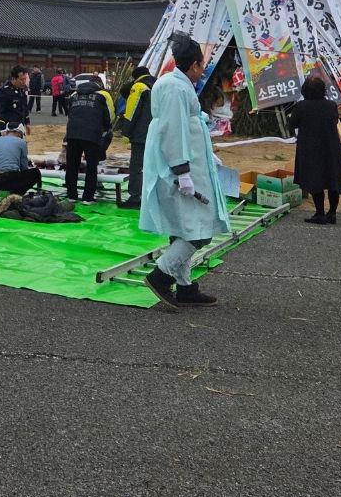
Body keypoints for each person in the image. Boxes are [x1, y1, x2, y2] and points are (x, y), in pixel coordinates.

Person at [140, 36, 232, 309]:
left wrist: (206, 154)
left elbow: (185, 128)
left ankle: (186, 287)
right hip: (179, 168)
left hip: (188, 165)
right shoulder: (174, 88)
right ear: (193, 65)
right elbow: (173, 130)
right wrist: (182, 172)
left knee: (186, 227)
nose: (203, 70)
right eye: (201, 65)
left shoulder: (177, 85)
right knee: (197, 230)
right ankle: (161, 275)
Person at [287, 76, 341, 224]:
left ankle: (319, 213)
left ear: (305, 90)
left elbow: (292, 125)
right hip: (331, 147)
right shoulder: (331, 105)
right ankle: (332, 213)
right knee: (332, 179)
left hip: (310, 149)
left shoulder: (301, 106)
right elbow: (334, 121)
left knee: (315, 179)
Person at [64, 77, 112, 202]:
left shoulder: (74, 97)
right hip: (91, 135)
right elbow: (107, 119)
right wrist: (106, 130)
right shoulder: (101, 97)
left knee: (72, 165)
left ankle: (71, 195)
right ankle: (88, 197)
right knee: (91, 167)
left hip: (73, 134)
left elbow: (70, 114)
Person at [118, 66, 156, 210]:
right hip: (156, 133)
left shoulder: (138, 87)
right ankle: (151, 197)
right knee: (152, 166)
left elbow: (132, 111)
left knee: (137, 167)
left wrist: (126, 133)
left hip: (141, 134)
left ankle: (135, 198)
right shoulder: (157, 85)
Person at [0, 123, 40, 199]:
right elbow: (23, 166)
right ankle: (16, 195)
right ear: (19, 132)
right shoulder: (21, 142)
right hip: (7, 179)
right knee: (35, 173)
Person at [0, 66, 32, 139]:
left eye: (25, 79)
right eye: (21, 79)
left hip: (18, 129)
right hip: (6, 131)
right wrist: (3, 132)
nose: (24, 82)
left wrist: (27, 123)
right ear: (14, 78)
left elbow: (24, 108)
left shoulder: (22, 91)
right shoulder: (3, 92)